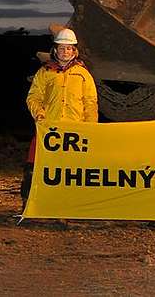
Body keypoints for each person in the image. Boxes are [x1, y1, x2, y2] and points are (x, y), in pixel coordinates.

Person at [19, 28, 99, 207]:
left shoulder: (83, 74)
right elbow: (33, 97)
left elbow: (90, 102)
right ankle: (29, 206)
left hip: (74, 132)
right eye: (62, 48)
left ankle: (66, 208)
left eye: (69, 48)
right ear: (55, 50)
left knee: (70, 172)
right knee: (34, 167)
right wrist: (39, 114)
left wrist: (90, 128)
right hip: (50, 130)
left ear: (74, 51)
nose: (65, 52)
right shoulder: (45, 72)